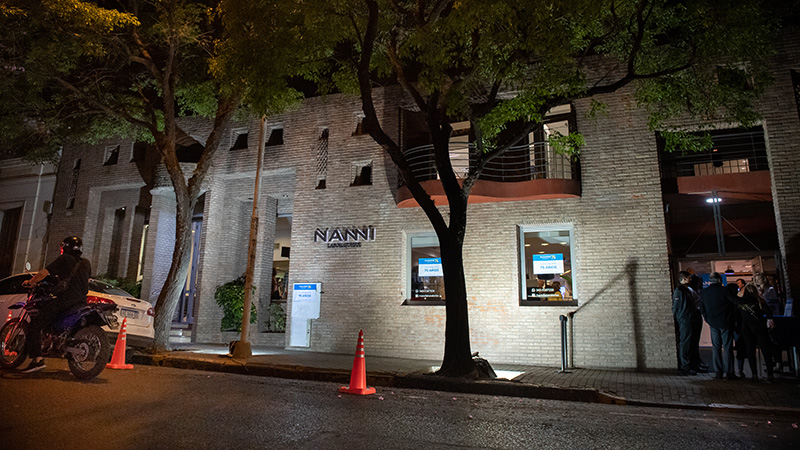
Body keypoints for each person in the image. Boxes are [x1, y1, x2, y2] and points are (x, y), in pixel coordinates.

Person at [19, 236, 92, 373]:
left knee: (35, 324)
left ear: (65, 247)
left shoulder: (64, 259)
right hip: (81, 301)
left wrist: (30, 282)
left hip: (65, 300)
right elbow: (86, 280)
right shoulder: (86, 263)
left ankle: (37, 360)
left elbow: (43, 273)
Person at [699, 272, 739, 380]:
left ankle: (718, 372)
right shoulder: (725, 290)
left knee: (716, 347)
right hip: (725, 322)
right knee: (727, 347)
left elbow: (702, 307)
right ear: (719, 280)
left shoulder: (704, 292)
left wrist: (707, 319)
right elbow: (735, 301)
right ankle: (730, 372)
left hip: (713, 322)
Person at [738, 284, 776, 382]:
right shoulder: (760, 301)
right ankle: (770, 374)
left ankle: (754, 374)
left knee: (750, 351)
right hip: (759, 327)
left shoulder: (741, 302)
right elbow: (768, 312)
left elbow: (738, 315)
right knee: (766, 351)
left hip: (746, 328)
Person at [672, 271, 696, 375]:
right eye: (689, 278)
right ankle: (684, 366)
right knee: (685, 343)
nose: (690, 280)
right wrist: (678, 319)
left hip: (688, 319)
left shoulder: (686, 290)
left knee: (688, 342)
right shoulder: (679, 291)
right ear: (684, 279)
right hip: (684, 320)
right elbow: (676, 307)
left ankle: (688, 364)